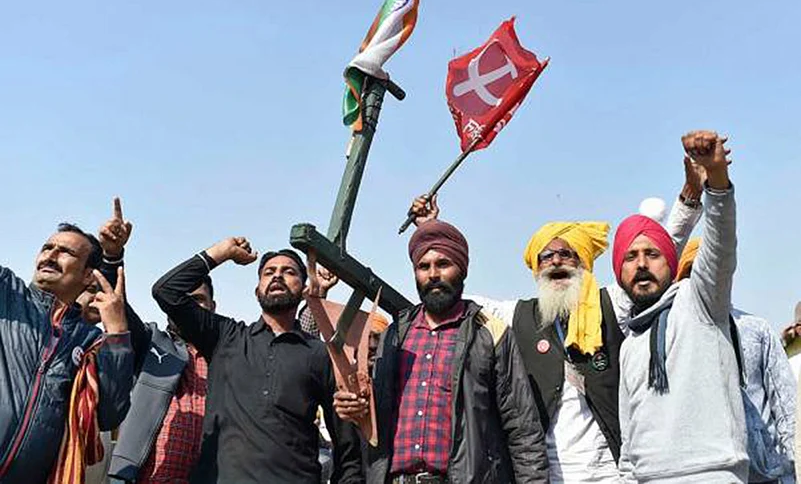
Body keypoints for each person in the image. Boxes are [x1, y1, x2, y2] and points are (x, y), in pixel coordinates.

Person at [404, 155, 704, 483]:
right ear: (536, 268)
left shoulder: (611, 305)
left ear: (582, 263)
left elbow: (659, 257)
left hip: (610, 472)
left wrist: (690, 196)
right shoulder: (515, 316)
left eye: (566, 254)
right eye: (547, 256)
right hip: (544, 474)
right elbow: (446, 291)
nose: (556, 261)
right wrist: (431, 231)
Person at [335, 219, 549, 483]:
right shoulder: (395, 334)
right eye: (423, 267)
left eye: (443, 264)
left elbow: (523, 430)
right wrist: (355, 408)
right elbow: (376, 419)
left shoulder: (490, 333)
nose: (433, 274)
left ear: (462, 270)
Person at [152, 237, 364, 483]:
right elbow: (166, 291)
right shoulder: (225, 337)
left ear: (304, 290)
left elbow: (347, 448)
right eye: (269, 272)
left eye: (289, 272)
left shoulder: (320, 354)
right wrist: (222, 252)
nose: (277, 276)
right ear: (257, 291)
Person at [616, 130, 747, 482]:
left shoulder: (700, 301)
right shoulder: (630, 342)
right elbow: (629, 442)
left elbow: (720, 246)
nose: (641, 264)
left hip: (713, 473)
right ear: (619, 273)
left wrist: (715, 178)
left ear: (671, 263)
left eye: (652, 254)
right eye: (630, 257)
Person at [77, 199, 218, 484]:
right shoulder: (150, 343)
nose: (189, 308)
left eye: (198, 300)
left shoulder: (228, 356)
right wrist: (112, 255)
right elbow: (116, 303)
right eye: (182, 301)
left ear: (213, 307)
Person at [0, 221, 134, 483]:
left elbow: (108, 415)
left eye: (66, 252)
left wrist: (117, 332)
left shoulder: (90, 341)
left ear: (88, 275)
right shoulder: (7, 293)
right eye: (47, 247)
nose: (50, 255)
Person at [676, 239, 797, 483]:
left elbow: (788, 408)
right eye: (695, 273)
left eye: (714, 271)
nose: (707, 280)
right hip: (704, 472)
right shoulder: (672, 337)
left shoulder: (756, 330)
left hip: (764, 474)